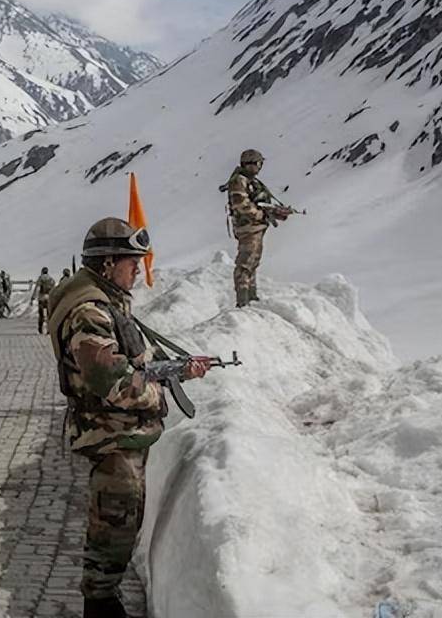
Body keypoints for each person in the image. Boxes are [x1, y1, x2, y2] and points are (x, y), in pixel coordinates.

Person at [47, 218, 210, 618]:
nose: (137, 269)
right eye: (130, 262)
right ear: (107, 264)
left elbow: (129, 361)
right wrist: (157, 393)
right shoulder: (90, 311)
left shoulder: (106, 302)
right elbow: (111, 380)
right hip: (110, 437)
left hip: (118, 435)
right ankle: (100, 604)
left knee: (120, 523)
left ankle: (105, 597)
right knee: (112, 528)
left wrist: (175, 370)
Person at [224, 149, 291, 307]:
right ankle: (242, 301)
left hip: (254, 227)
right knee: (245, 264)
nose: (260, 167)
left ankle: (251, 297)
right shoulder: (239, 181)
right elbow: (241, 205)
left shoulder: (251, 181)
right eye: (259, 163)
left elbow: (259, 202)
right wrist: (262, 215)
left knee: (252, 262)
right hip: (247, 228)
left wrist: (274, 211)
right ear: (250, 164)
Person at [34, 266, 57, 334]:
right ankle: (49, 329)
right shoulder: (51, 279)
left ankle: (40, 329)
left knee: (41, 315)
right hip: (48, 298)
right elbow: (54, 288)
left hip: (41, 298)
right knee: (49, 314)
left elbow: (37, 288)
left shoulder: (40, 278)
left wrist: (33, 297)